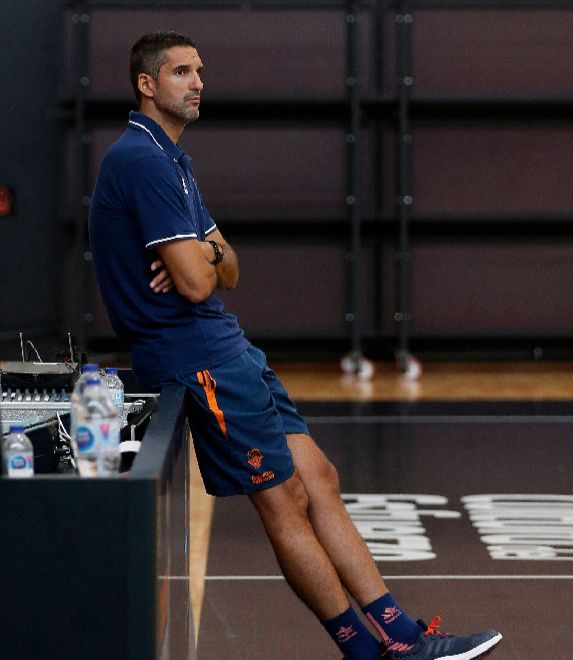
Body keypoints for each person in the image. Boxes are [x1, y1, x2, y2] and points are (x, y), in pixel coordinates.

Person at [88, 31, 502, 660]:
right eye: (181, 72)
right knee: (283, 503)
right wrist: (205, 257)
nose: (198, 82)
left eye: (200, 70)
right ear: (147, 85)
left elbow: (227, 267)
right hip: (196, 356)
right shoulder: (140, 160)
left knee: (320, 480)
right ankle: (367, 651)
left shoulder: (173, 158)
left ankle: (405, 635)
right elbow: (200, 285)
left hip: (228, 348)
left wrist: (206, 252)